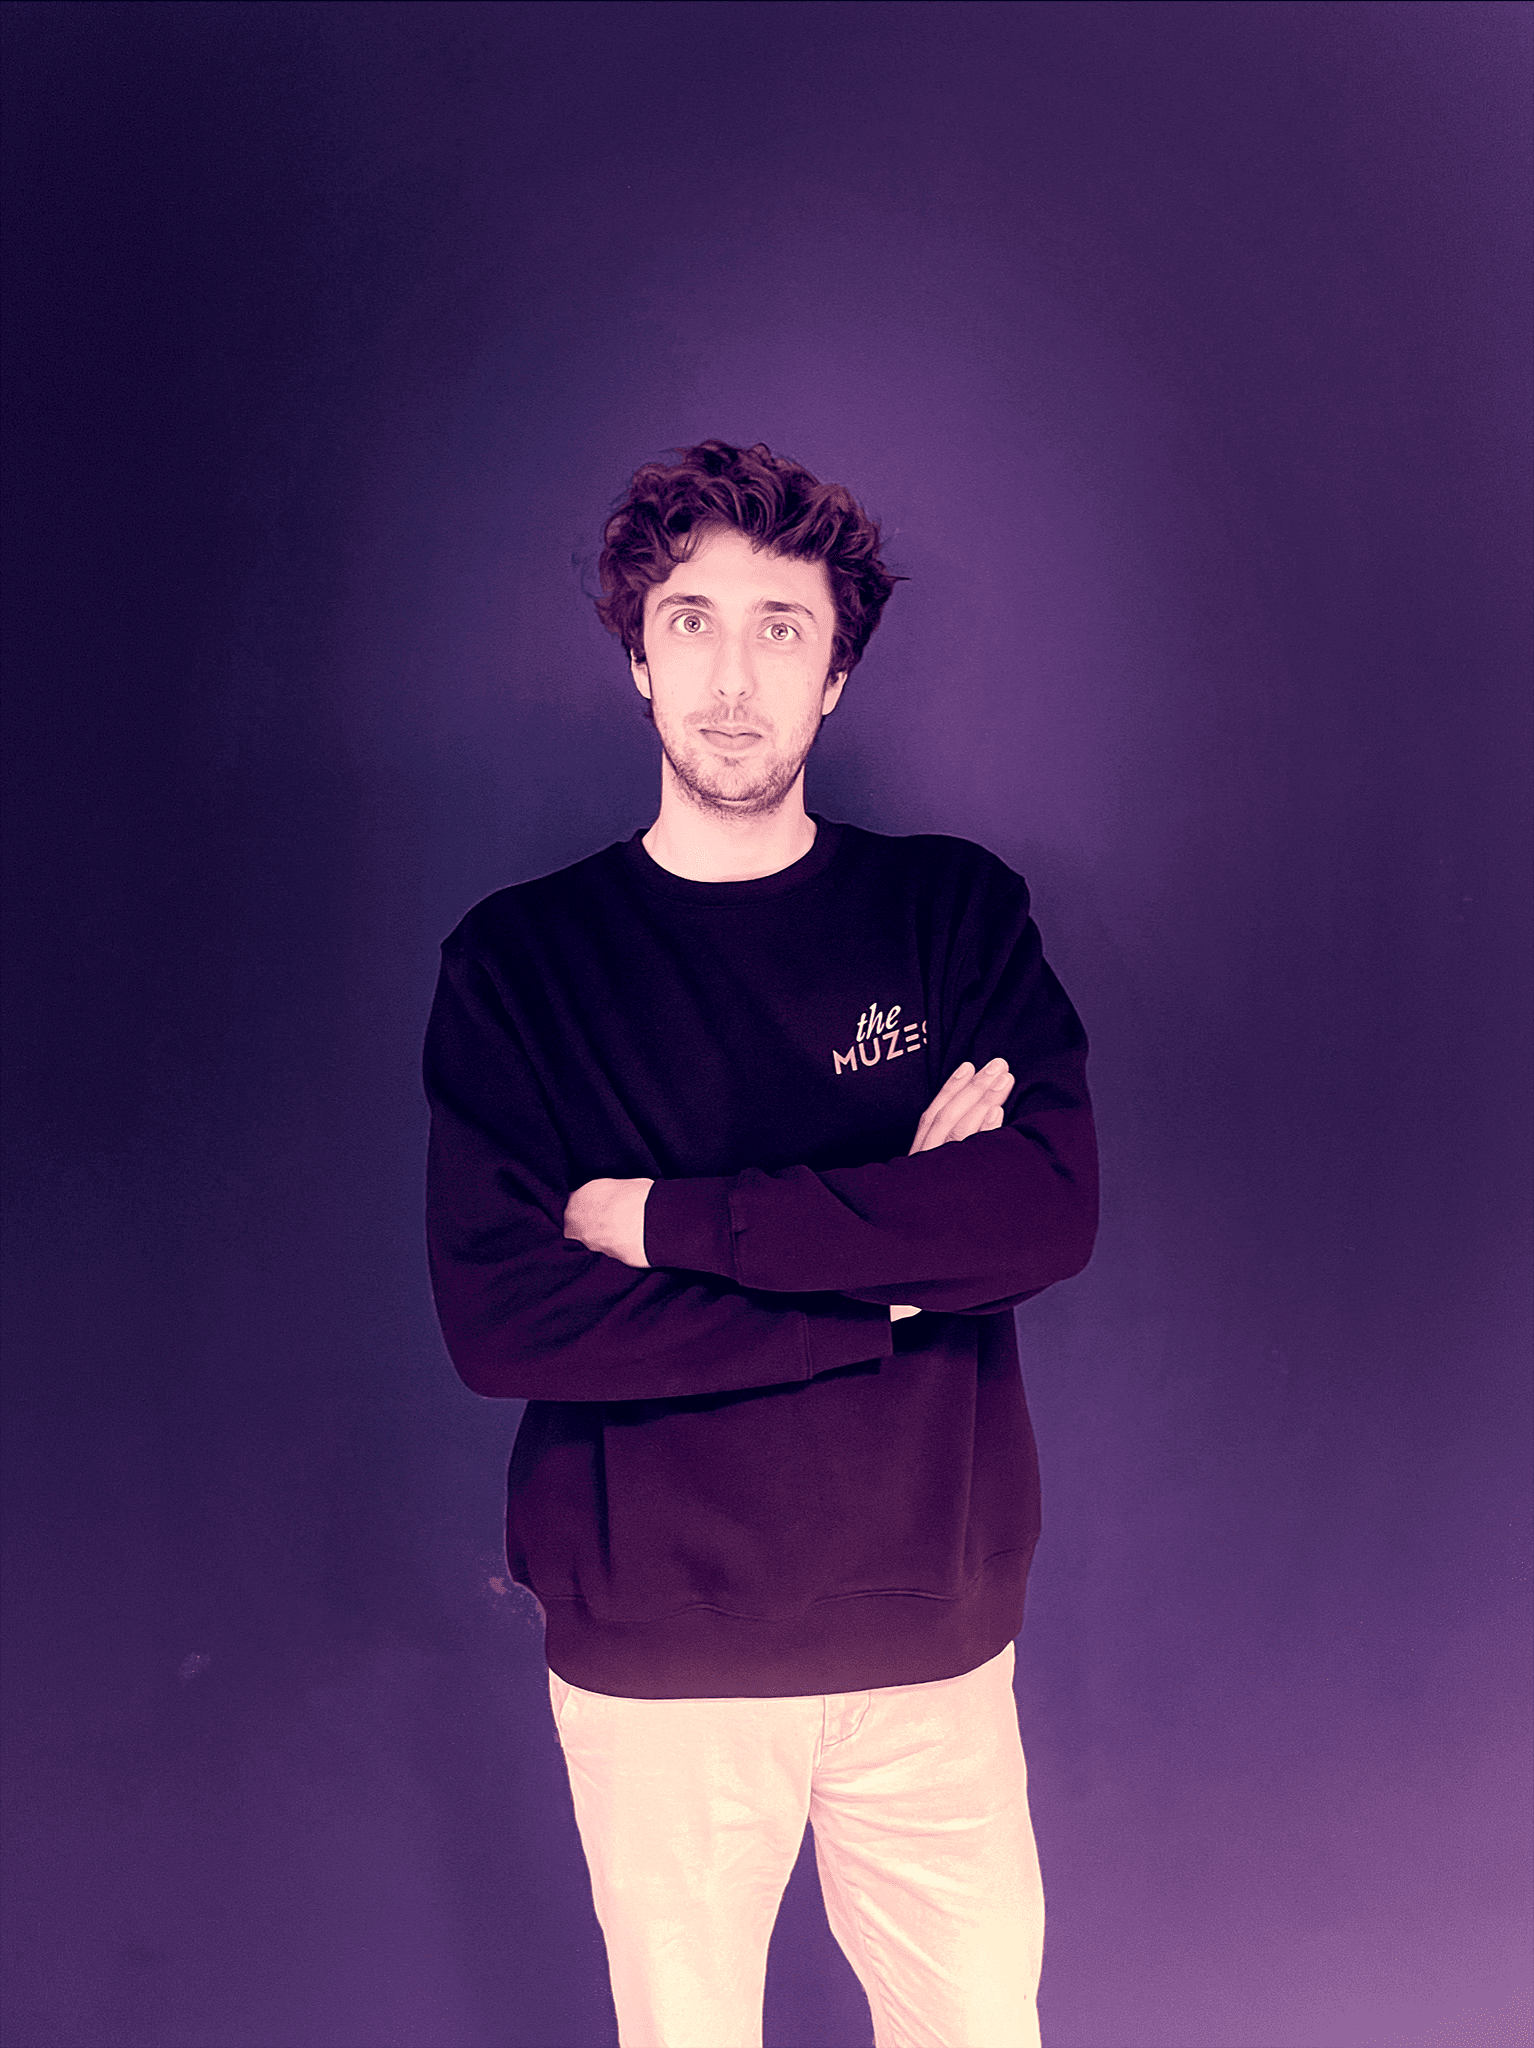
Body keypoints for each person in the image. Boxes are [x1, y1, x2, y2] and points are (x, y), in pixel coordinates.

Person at [422, 439, 1098, 2048]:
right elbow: (505, 1321)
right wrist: (888, 1283)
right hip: (654, 1652)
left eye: (780, 629)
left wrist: (669, 1221)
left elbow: (1039, 1210)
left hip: (930, 1636)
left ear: (835, 674)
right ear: (636, 658)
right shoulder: (521, 963)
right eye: (692, 622)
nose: (733, 678)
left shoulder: (950, 917)